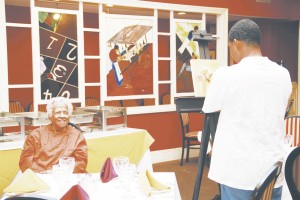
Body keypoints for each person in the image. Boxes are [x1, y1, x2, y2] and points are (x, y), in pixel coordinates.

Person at [202, 19, 292, 200]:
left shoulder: (225, 75)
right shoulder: (283, 74)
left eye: (230, 47)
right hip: (272, 170)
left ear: (236, 43)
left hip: (238, 172)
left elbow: (209, 107)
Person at [19, 97, 88, 173]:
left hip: (66, 177)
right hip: (40, 177)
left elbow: (81, 163)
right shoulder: (36, 135)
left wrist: (58, 172)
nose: (62, 116)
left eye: (65, 112)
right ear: (49, 116)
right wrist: (43, 173)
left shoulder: (77, 136)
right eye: (58, 113)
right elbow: (25, 161)